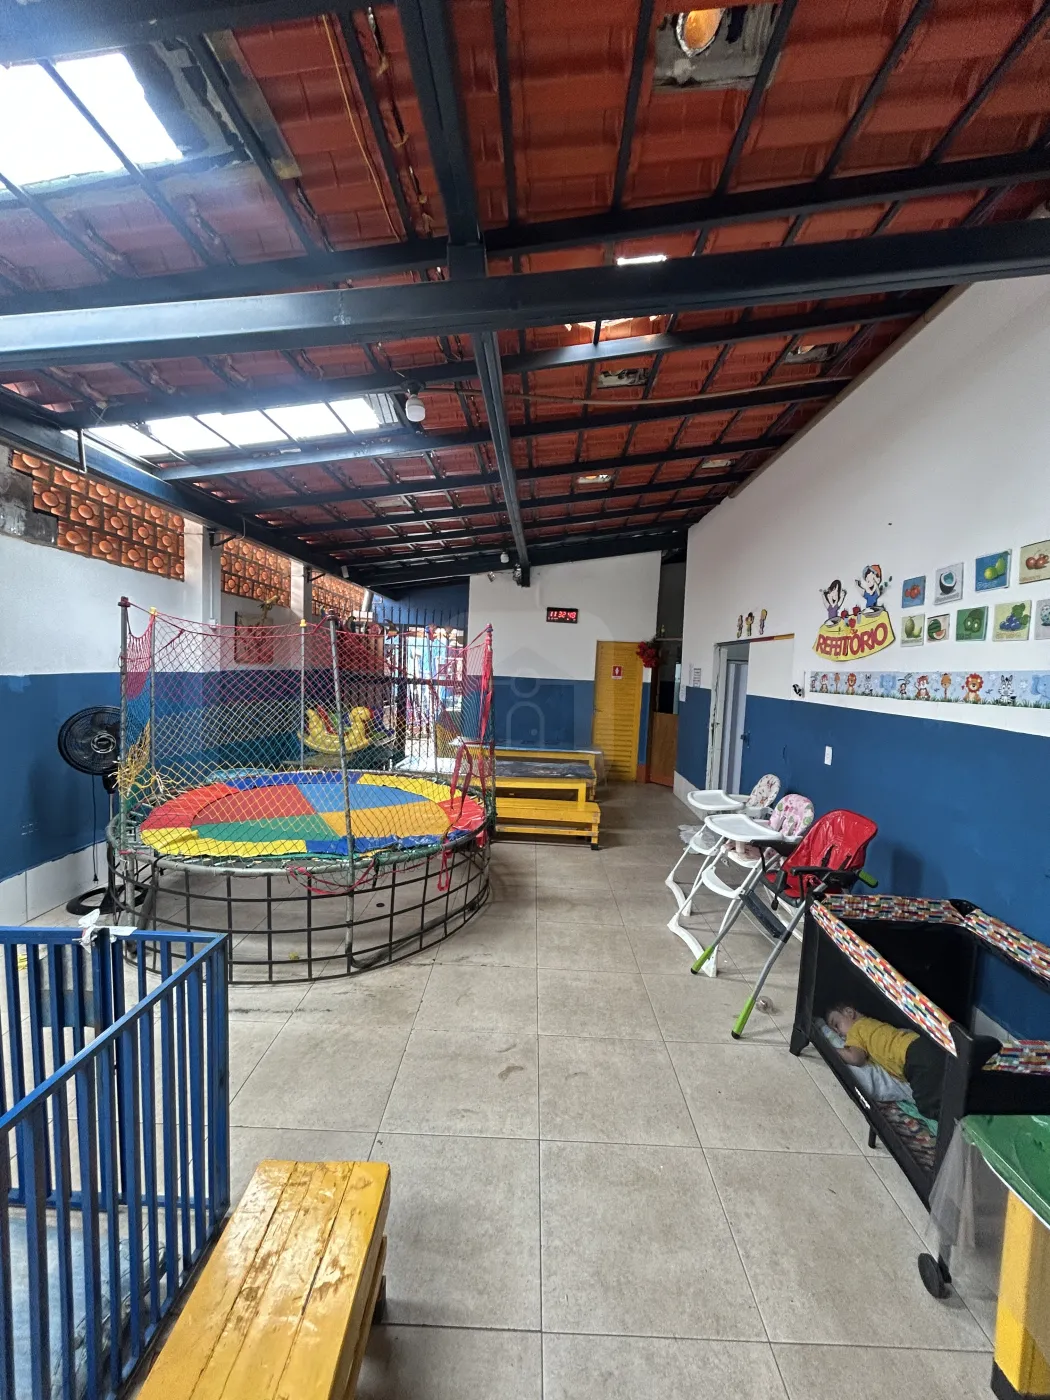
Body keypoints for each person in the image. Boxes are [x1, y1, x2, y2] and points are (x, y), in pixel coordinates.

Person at [826, 1002, 946, 1119]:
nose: (838, 1033)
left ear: (849, 1012)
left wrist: (831, 1049)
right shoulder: (871, 1023)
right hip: (920, 1045)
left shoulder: (855, 1030)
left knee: (929, 1107)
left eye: (836, 1025)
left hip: (911, 1056)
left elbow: (855, 1058)